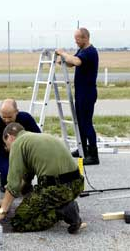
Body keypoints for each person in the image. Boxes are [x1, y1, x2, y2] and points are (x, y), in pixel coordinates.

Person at [0, 123, 84, 234]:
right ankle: (65, 204)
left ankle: (62, 211)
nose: (7, 148)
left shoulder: (17, 144)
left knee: (19, 222)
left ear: (9, 137)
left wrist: (2, 211)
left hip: (57, 189)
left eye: (6, 144)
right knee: (34, 201)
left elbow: (13, 184)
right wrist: (5, 201)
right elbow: (25, 180)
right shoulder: (37, 138)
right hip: (77, 185)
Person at [55, 27, 99, 165]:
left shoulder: (90, 51)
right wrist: (62, 59)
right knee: (79, 122)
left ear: (85, 38)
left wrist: (63, 53)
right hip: (80, 91)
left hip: (88, 92)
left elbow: (77, 61)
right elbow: (72, 62)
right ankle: (83, 149)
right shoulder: (81, 50)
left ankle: (93, 155)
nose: (76, 42)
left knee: (86, 123)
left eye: (77, 39)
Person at [0, 99, 40, 195]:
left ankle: (26, 182)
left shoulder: (26, 119)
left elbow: (39, 139)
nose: (6, 120)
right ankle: (6, 180)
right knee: (12, 173)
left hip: (24, 153)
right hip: (3, 156)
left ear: (16, 112)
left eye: (10, 117)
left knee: (32, 165)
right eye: (3, 117)